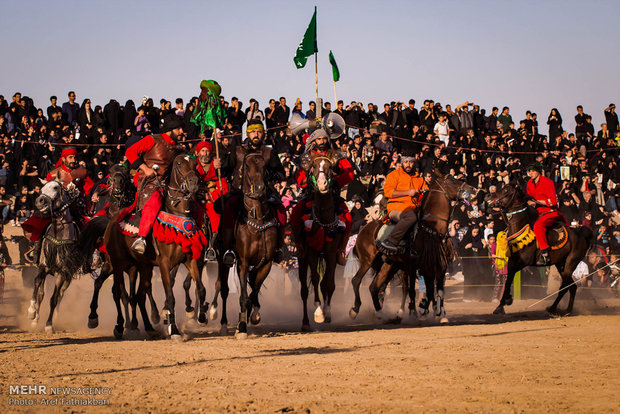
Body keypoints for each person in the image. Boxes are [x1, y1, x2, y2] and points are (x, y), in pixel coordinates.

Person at [218, 120, 287, 265]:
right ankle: (228, 248)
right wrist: (218, 166)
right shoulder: (238, 151)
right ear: (248, 133)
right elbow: (226, 170)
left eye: (259, 131)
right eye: (253, 131)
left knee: (281, 212)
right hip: (240, 192)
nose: (256, 134)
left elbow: (281, 173)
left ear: (263, 133)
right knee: (229, 210)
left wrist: (273, 176)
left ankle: (278, 248)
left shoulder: (269, 152)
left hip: (265, 194)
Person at [290, 128, 355, 265]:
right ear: (314, 140)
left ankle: (341, 251)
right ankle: (299, 246)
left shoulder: (335, 155)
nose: (321, 141)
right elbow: (300, 175)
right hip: (311, 195)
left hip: (332, 194)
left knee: (348, 219)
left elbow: (349, 173)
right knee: (295, 214)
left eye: (324, 138)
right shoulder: (308, 156)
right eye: (319, 139)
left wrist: (337, 181)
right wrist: (305, 180)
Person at [124, 114, 185, 254]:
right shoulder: (153, 140)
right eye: (179, 129)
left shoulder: (177, 148)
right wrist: (145, 168)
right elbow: (130, 151)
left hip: (170, 186)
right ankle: (141, 238)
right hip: (150, 184)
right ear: (170, 130)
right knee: (154, 201)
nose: (182, 131)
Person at [378, 150, 429, 254]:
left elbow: (427, 192)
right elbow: (388, 192)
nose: (408, 165)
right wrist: (408, 192)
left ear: (414, 163)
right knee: (410, 216)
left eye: (411, 162)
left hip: (414, 209)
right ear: (402, 163)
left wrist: (425, 192)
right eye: (406, 162)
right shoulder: (394, 175)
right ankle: (390, 241)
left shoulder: (419, 178)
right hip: (396, 209)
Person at [525, 163, 568, 265]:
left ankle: (545, 253)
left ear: (538, 171)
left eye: (533, 171)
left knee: (538, 226)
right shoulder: (529, 183)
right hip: (536, 212)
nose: (531, 173)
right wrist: (529, 202)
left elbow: (553, 201)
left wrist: (536, 202)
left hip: (550, 212)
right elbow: (528, 198)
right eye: (529, 171)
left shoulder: (547, 182)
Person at [194, 140, 227, 261]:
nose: (205, 153)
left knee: (215, 217)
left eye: (207, 151)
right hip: (195, 200)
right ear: (198, 153)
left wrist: (210, 196)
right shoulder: (193, 165)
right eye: (203, 150)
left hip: (210, 201)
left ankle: (211, 246)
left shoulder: (216, 168)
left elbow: (224, 188)